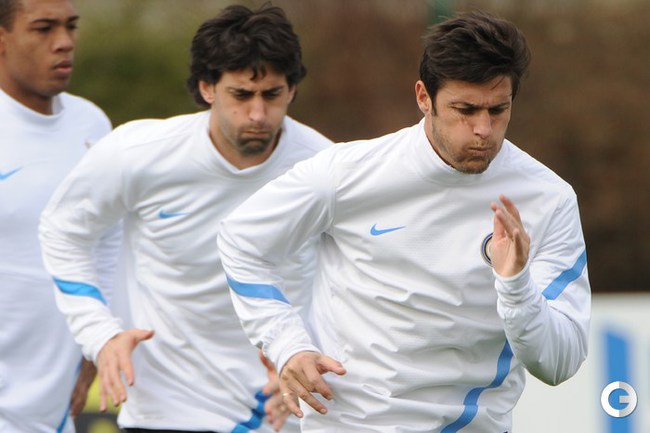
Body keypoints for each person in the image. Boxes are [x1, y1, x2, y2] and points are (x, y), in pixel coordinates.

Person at [218, 10, 591, 433]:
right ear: (423, 97)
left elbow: (559, 364)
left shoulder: (548, 199)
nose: (483, 129)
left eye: (498, 110)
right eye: (465, 110)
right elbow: (242, 240)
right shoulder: (346, 173)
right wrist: (287, 344)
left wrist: (516, 286)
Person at [39, 4, 332, 433]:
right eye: (241, 95)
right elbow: (63, 232)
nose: (257, 114)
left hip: (277, 413)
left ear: (292, 91)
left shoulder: (326, 169)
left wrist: (306, 354)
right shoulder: (139, 153)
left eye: (272, 95)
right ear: (207, 87)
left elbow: (357, 280)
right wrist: (99, 334)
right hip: (164, 411)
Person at [0, 0, 117, 431]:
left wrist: (98, 342)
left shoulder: (92, 124)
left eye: (71, 26)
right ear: (2, 39)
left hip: (58, 402)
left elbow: (109, 246)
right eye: (44, 28)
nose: (64, 42)